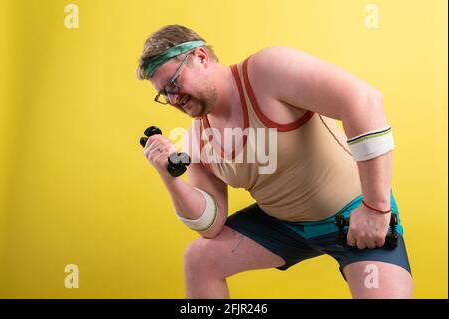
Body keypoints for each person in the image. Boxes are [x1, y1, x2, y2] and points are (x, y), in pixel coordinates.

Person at [136, 25, 413, 299]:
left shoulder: (266, 72)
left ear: (200, 57)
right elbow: (210, 222)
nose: (173, 99)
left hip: (356, 217)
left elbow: (364, 101)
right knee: (200, 259)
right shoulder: (197, 138)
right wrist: (169, 178)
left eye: (173, 83)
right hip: (284, 226)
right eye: (164, 94)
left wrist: (376, 208)